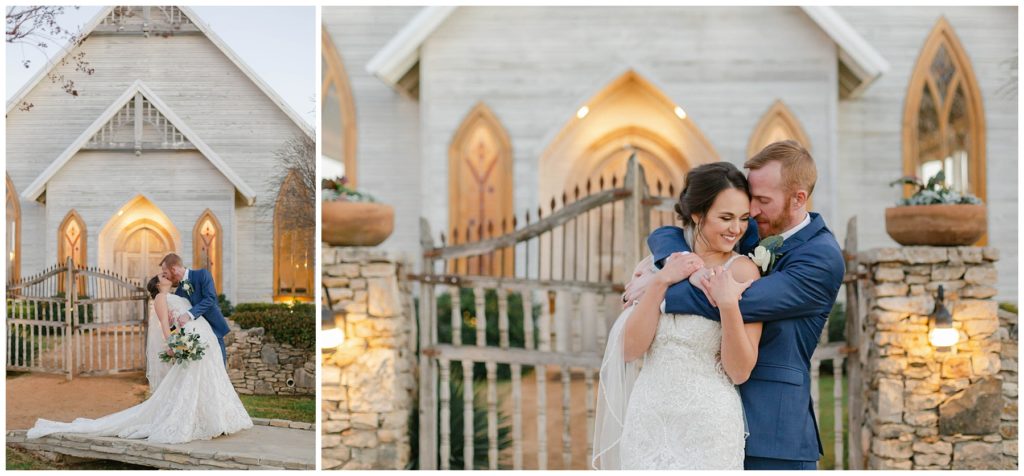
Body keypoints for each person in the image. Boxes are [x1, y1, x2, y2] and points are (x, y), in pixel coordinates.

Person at [622, 140, 845, 470]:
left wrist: (658, 290)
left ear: (799, 198)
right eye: (750, 200)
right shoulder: (756, 224)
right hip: (695, 419)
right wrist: (675, 264)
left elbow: (738, 300)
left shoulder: (822, 258)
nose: (751, 212)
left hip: (772, 430)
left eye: (762, 200)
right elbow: (670, 232)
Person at [593, 161, 762, 469]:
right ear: (697, 214)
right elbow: (631, 350)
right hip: (648, 420)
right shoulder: (656, 265)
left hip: (708, 426)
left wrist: (727, 305)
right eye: (725, 217)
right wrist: (661, 280)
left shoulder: (741, 270)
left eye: (743, 219)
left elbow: (739, 372)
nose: (736, 229)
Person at [26, 273, 252, 444]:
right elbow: (165, 324)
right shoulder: (162, 298)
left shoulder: (174, 295)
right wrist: (174, 343)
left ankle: (208, 417)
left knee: (200, 382)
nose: (167, 276)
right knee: (188, 384)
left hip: (200, 342)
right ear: (157, 285)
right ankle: (194, 419)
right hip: (189, 343)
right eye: (163, 276)